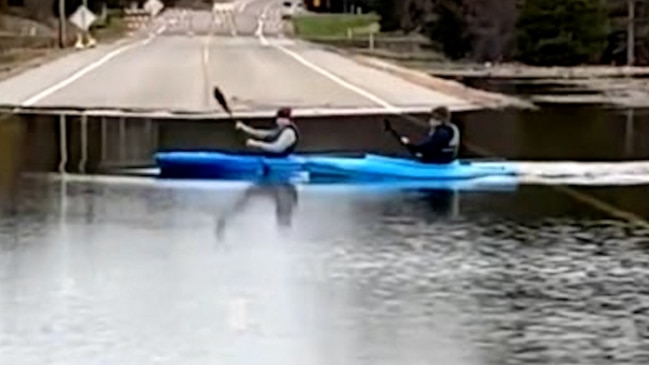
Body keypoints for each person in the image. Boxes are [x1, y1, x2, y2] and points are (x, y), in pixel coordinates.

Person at [384, 106, 460, 164]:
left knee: (413, 155)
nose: (430, 120)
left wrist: (409, 145)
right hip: (440, 160)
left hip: (439, 162)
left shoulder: (442, 134)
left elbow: (427, 149)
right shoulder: (442, 131)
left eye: (433, 118)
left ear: (439, 120)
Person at [235, 107, 300, 157]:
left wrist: (256, 144)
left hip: (281, 159)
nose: (277, 121)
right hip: (277, 158)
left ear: (287, 120)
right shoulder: (282, 128)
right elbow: (265, 134)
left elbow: (277, 148)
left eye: (280, 119)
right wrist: (244, 127)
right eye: (278, 119)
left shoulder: (288, 132)